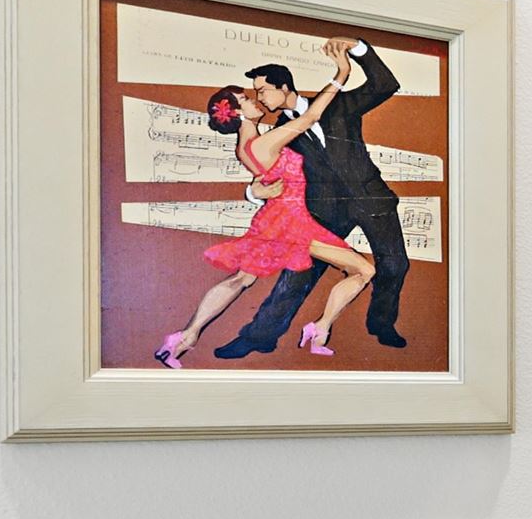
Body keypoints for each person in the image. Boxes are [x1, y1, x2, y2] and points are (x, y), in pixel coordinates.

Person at [152, 48, 380, 365]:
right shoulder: (264, 142)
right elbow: (312, 116)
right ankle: (321, 327)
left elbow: (266, 177)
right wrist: (341, 75)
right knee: (363, 269)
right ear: (238, 113)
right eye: (247, 99)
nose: (255, 101)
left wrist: (257, 190)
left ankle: (185, 337)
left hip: (278, 219)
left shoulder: (247, 146)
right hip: (292, 224)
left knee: (241, 279)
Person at [212, 39, 411, 358]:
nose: (260, 98)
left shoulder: (339, 104)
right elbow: (263, 172)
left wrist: (359, 49)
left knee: (395, 264)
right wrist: (253, 193)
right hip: (322, 212)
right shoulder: (278, 132)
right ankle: (260, 336)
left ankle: (381, 324)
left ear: (283, 86)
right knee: (296, 277)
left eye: (263, 90)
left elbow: (386, 84)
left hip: (370, 198)